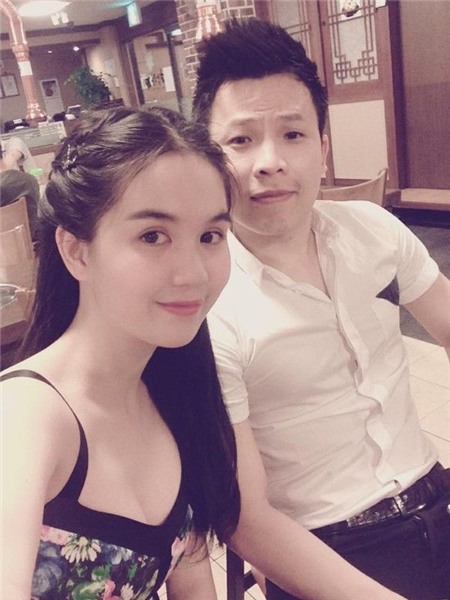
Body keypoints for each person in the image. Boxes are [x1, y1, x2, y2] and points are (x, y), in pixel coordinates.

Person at [193, 18, 450, 600]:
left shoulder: (374, 230)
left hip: (436, 497)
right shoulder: (205, 304)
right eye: (240, 141)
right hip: (328, 551)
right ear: (209, 158)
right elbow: (247, 520)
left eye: (293, 134)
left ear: (323, 148)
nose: (270, 161)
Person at [1, 106, 240, 600]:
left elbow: (195, 586)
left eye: (210, 236)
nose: (194, 273)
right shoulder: (26, 416)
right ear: (77, 251)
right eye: (153, 236)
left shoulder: (175, 392)